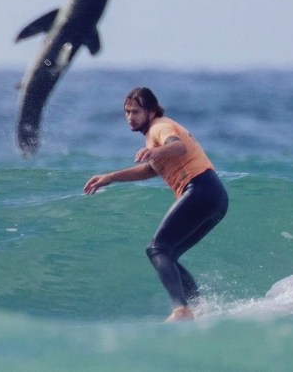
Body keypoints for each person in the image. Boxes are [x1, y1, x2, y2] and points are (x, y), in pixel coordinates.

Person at [83, 87, 228, 322]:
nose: (130, 117)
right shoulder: (154, 133)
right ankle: (198, 308)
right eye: (127, 112)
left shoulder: (160, 127)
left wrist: (156, 150)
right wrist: (111, 177)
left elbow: (178, 146)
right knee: (167, 255)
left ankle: (181, 309)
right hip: (215, 196)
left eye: (136, 111)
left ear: (151, 112)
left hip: (201, 189)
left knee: (157, 249)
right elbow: (151, 169)